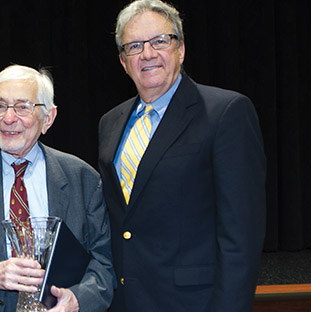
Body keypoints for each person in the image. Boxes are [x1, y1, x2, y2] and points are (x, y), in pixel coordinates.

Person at [98, 0, 266, 311]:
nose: (148, 53)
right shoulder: (110, 123)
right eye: (134, 46)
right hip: (125, 301)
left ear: (181, 49)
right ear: (124, 61)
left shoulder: (225, 113)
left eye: (160, 41)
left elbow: (241, 236)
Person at [0, 64, 115, 311]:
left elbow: (105, 263)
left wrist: (77, 300)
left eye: (22, 107)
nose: (8, 118)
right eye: (0, 106)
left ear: (48, 118)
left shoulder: (83, 178)